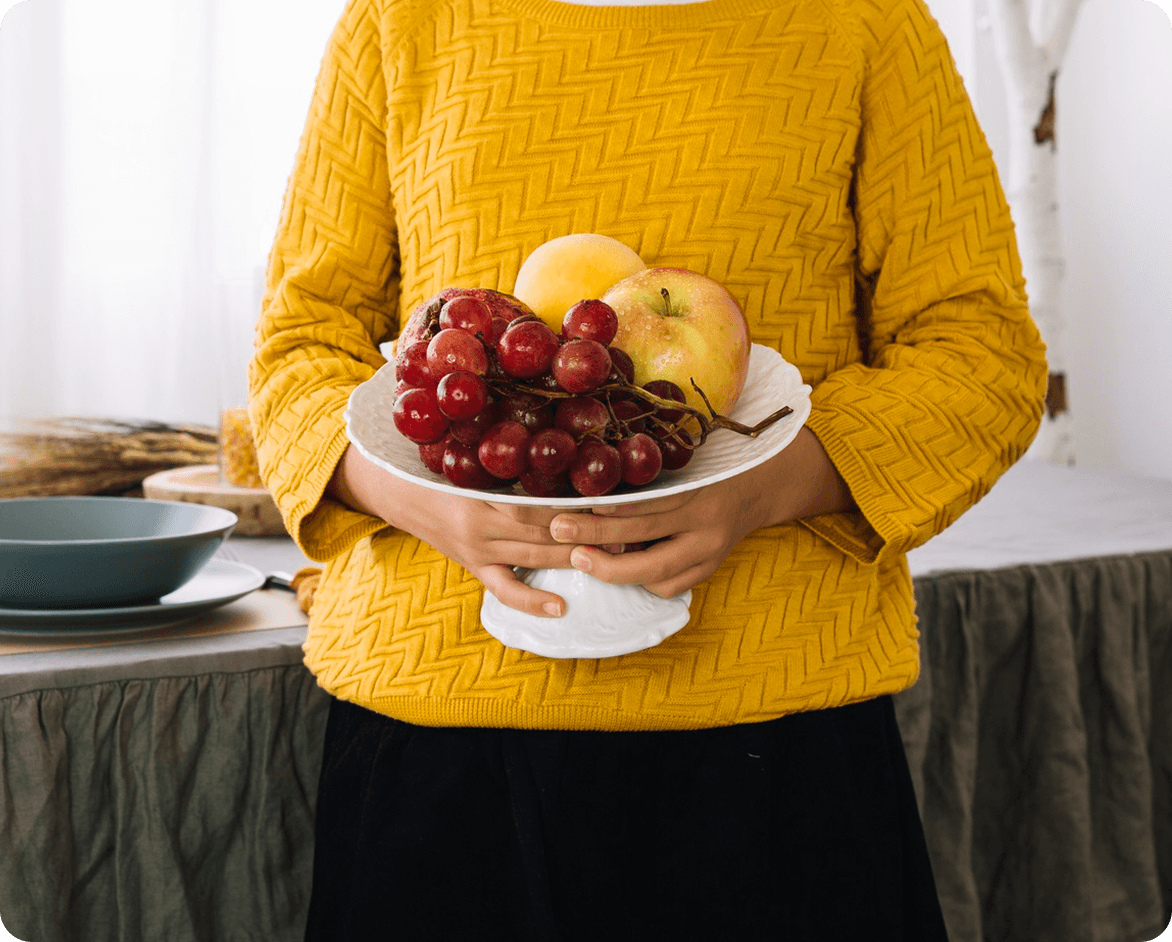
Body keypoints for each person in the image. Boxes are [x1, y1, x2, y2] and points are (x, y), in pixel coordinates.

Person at [248, 0, 1048, 933]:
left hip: (777, 735)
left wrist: (764, 491)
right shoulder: (398, 18)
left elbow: (982, 349)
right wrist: (417, 497)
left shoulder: (867, 21)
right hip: (438, 737)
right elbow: (300, 344)